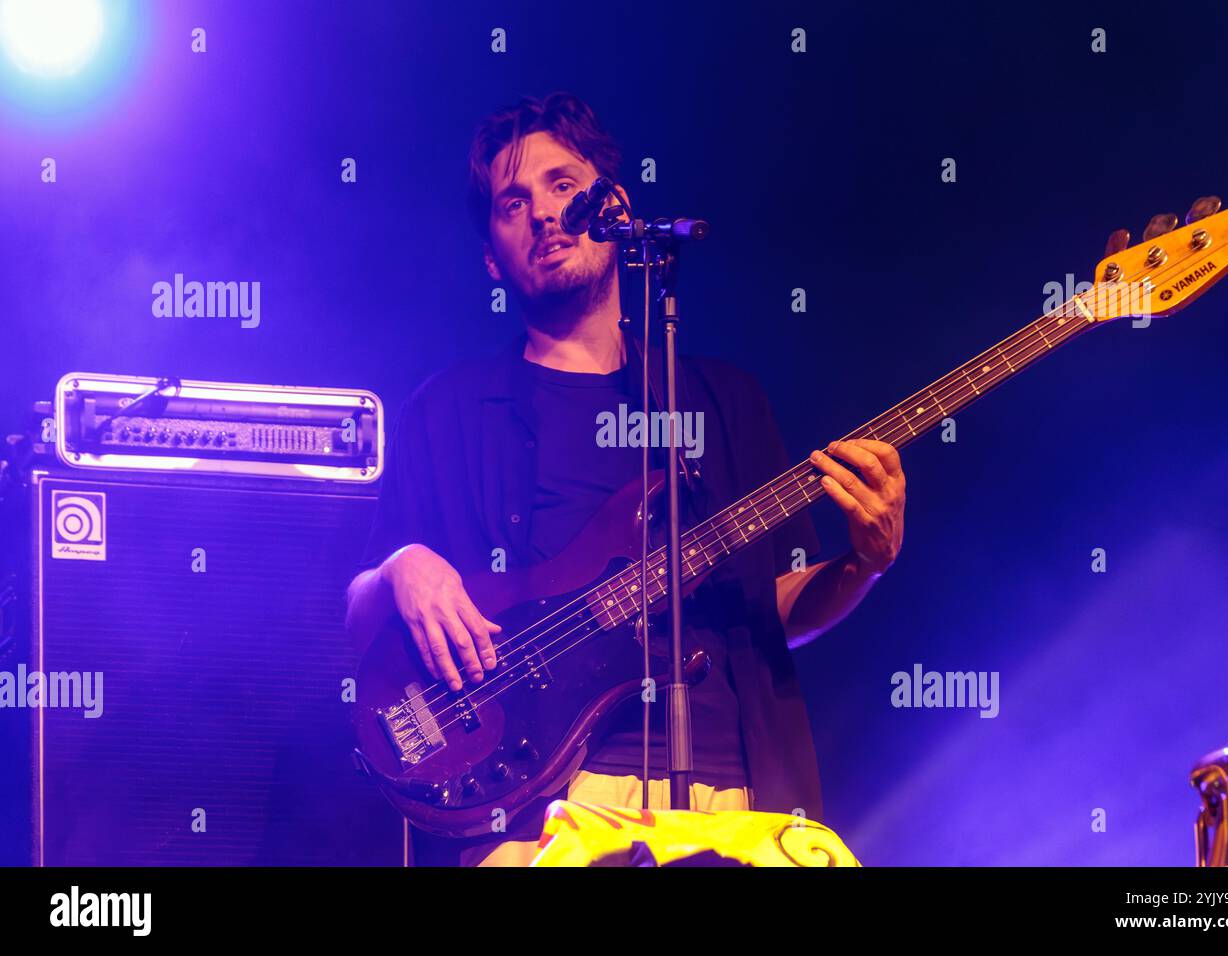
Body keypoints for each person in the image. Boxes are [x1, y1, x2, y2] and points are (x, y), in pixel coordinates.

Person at [345, 92, 906, 866]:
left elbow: (778, 603)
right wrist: (402, 569)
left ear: (614, 204)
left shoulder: (722, 399)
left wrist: (866, 562)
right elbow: (356, 612)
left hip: (733, 804)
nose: (544, 213)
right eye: (515, 202)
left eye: (563, 184)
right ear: (491, 257)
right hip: (542, 811)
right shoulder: (447, 410)